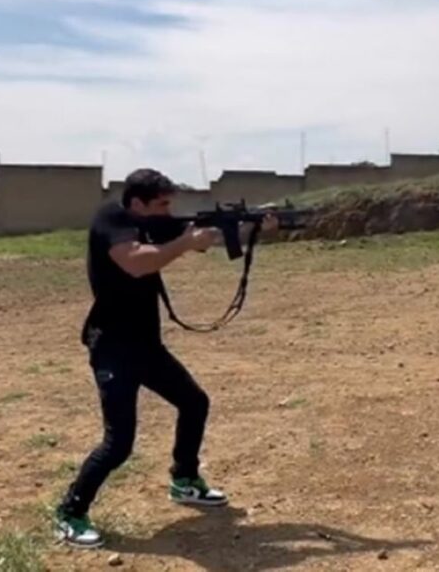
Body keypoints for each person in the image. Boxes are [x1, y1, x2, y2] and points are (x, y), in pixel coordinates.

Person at [53, 168, 277, 549]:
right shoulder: (112, 219)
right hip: (113, 347)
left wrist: (253, 229)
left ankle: (184, 479)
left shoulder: (155, 223)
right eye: (161, 203)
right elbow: (137, 262)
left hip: (146, 346)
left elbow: (212, 240)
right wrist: (186, 243)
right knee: (118, 443)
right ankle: (70, 512)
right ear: (136, 202)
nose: (167, 210)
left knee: (194, 402)